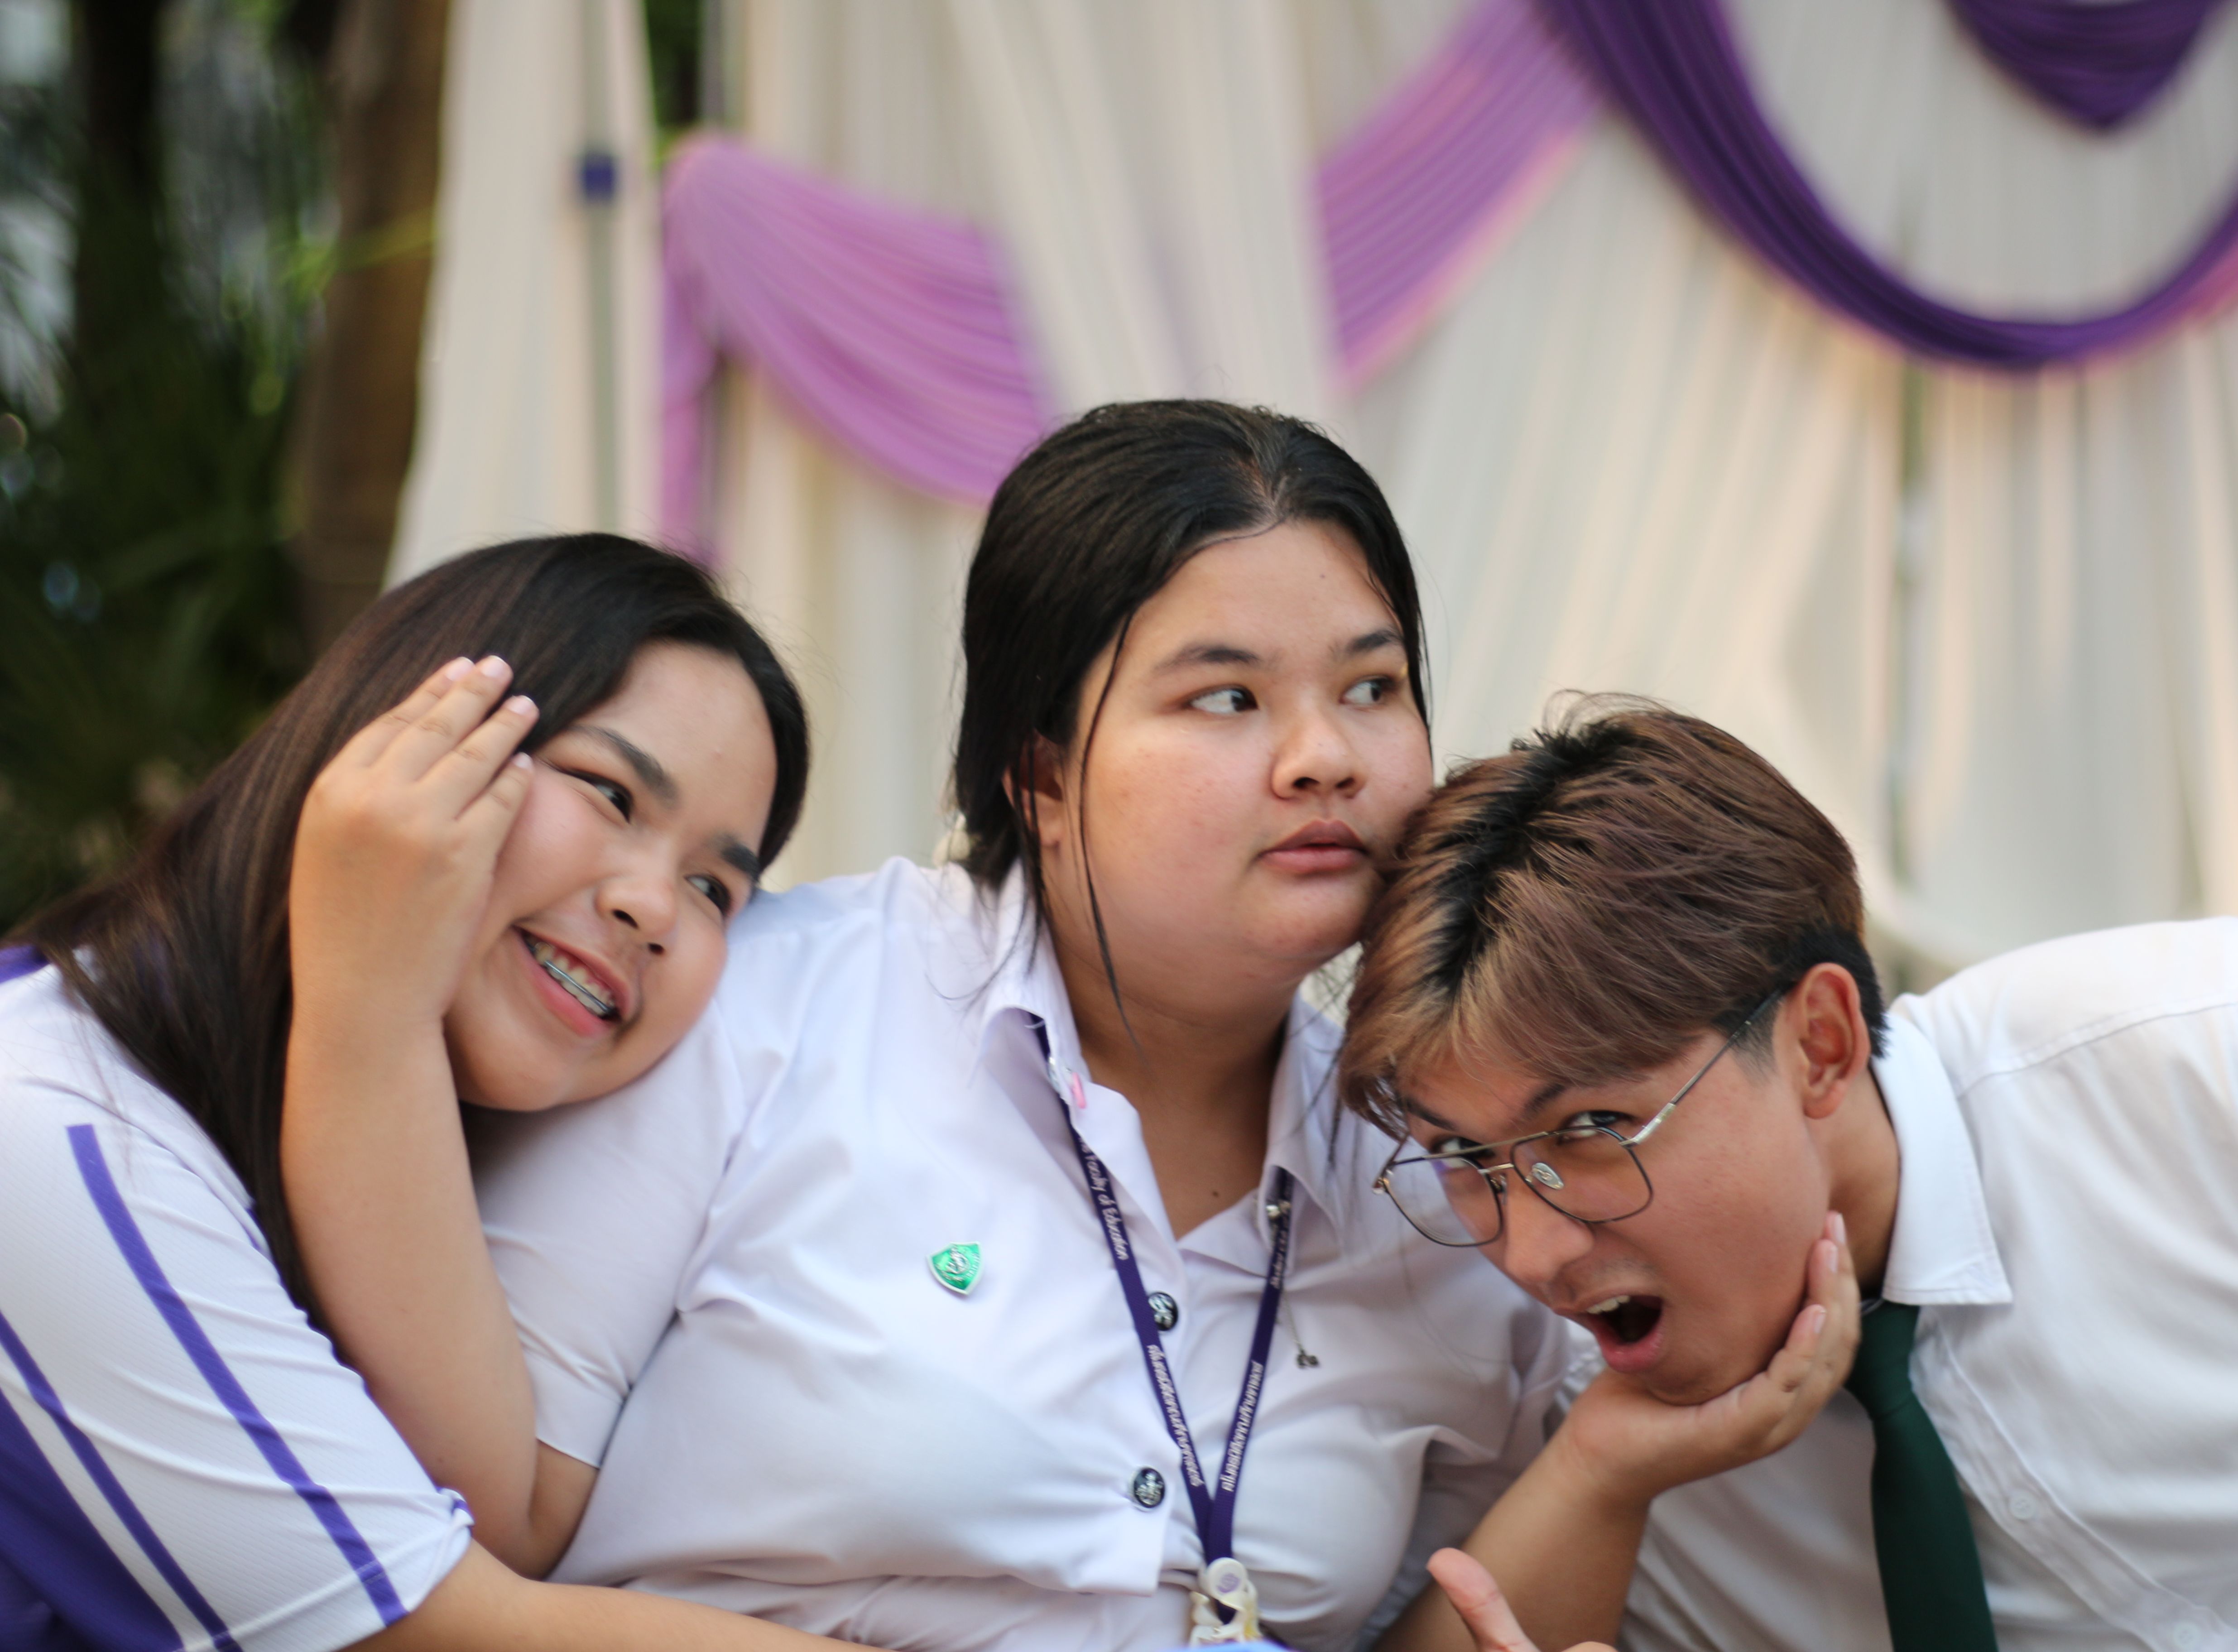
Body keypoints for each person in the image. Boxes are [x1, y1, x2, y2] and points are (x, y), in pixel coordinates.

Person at [281, 402, 1860, 1652]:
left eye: (1372, 688)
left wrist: (1610, 1458)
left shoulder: (1451, 1190)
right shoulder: (767, 1006)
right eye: (1226, 697)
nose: (1323, 754)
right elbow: (476, 1521)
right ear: (1040, 770)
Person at [1335, 695, 2238, 1652]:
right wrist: (1601, 1471)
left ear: (1821, 1043)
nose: (1533, 1254)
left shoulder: (2234, 1058)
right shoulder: (1614, 1429)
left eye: (1594, 1126)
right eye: (1464, 1157)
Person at [0, 535, 888, 1651]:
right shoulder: (57, 1133)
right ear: (398, 751)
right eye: (610, 792)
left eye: (715, 887)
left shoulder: (457, 1160)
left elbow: (482, 1510)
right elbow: (456, 1629)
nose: (655, 908)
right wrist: (371, 998)